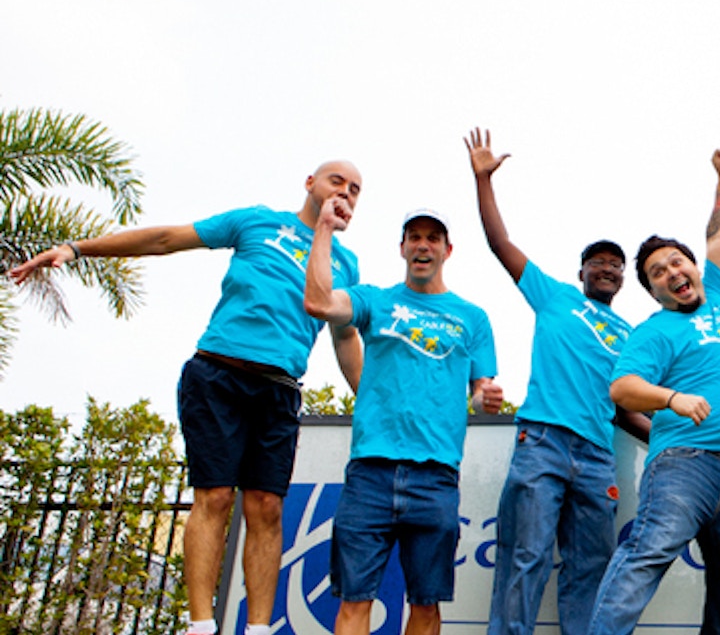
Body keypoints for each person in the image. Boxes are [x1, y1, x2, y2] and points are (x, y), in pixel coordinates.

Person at [7, 161, 365, 635]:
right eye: (336, 181)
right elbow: (165, 240)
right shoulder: (257, 221)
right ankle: (200, 625)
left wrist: (370, 401)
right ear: (310, 183)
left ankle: (257, 629)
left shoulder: (346, 263)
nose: (345, 192)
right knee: (214, 497)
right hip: (218, 373)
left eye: (355, 190)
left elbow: (345, 341)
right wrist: (76, 249)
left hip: (279, 390)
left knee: (266, 507)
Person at [464, 127, 651, 635]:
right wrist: (484, 180)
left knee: (592, 569)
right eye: (599, 262)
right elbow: (500, 243)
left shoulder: (631, 336)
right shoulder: (553, 297)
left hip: (597, 457)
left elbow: (625, 407)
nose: (608, 269)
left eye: (616, 265)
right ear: (582, 272)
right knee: (524, 558)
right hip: (543, 441)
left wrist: (669, 440)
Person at [586, 147, 720, 635]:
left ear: (693, 266)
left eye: (676, 262)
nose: (672, 273)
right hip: (684, 465)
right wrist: (671, 398)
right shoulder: (655, 331)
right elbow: (622, 388)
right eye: (658, 274)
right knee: (645, 555)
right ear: (654, 292)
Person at [304, 202, 503, 635]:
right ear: (402, 248)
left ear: (448, 250)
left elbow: (478, 392)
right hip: (370, 473)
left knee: (426, 605)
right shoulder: (374, 300)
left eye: (433, 238)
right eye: (415, 237)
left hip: (435, 477)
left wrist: (484, 397)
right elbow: (319, 302)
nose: (423, 245)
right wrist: (323, 227)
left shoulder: (473, 318)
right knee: (355, 601)